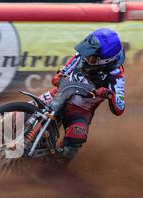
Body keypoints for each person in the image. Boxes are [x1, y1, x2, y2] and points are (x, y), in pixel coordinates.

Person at [38, 28, 126, 164]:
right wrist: (59, 77)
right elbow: (59, 76)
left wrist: (109, 94)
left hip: (81, 110)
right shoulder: (82, 54)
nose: (85, 57)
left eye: (91, 56)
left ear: (104, 61)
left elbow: (119, 108)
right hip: (60, 95)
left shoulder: (116, 75)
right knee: (23, 114)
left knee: (75, 139)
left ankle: (52, 167)